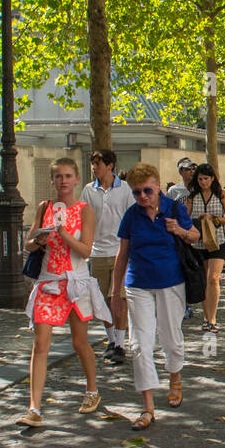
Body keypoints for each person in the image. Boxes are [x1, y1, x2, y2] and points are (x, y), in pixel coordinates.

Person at [18, 158, 110, 426]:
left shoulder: (85, 211)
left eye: (68, 176)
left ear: (77, 179)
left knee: (79, 342)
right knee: (40, 343)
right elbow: (28, 243)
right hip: (48, 282)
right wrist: (39, 240)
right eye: (58, 177)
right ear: (52, 181)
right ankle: (34, 408)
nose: (64, 181)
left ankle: (92, 390)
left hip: (75, 283)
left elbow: (85, 250)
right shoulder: (44, 207)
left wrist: (63, 233)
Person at [110, 163, 201, 428]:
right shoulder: (131, 216)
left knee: (171, 337)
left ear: (158, 185)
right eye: (136, 192)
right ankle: (147, 407)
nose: (142, 197)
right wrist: (115, 292)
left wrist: (179, 230)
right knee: (139, 344)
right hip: (138, 284)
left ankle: (175, 378)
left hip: (171, 282)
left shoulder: (175, 209)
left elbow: (194, 236)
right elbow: (122, 255)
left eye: (147, 190)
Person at [80, 148, 133, 364]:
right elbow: (83, 219)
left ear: (110, 165)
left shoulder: (125, 189)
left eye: (98, 164)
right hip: (97, 253)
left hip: (120, 251)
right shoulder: (88, 190)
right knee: (102, 300)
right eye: (93, 164)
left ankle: (120, 343)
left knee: (118, 298)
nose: (94, 168)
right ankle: (111, 340)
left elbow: (132, 218)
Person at [187, 161, 225, 330]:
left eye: (206, 179)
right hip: (199, 244)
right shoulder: (192, 196)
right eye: (200, 179)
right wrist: (197, 220)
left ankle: (213, 318)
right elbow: (185, 219)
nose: (203, 182)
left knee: (213, 278)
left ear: (213, 178)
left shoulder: (221, 194)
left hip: (218, 242)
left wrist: (214, 219)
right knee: (203, 281)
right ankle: (206, 318)